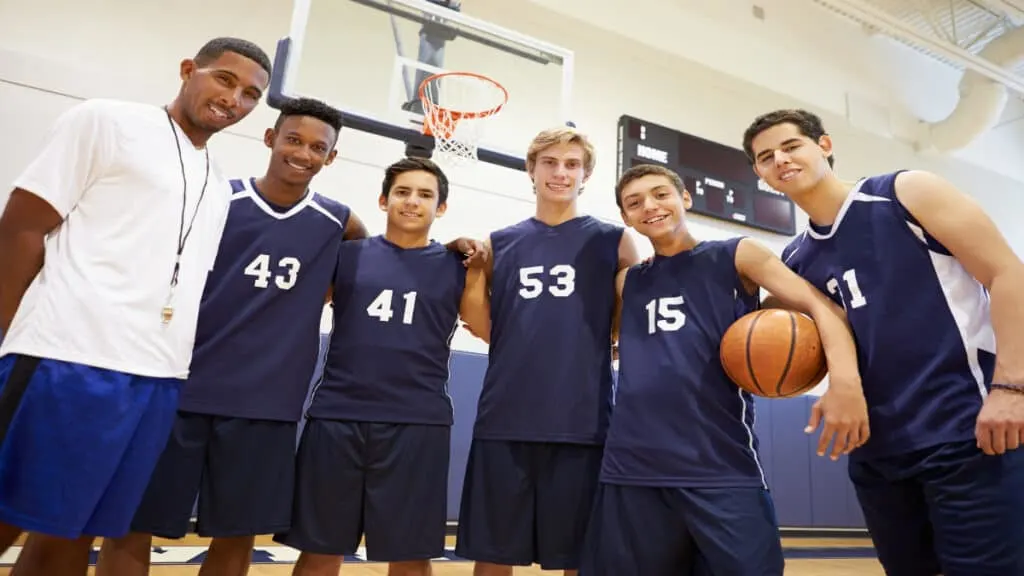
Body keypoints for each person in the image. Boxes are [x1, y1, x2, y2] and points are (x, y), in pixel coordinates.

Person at [0, 37, 271, 574]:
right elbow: (22, 226)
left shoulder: (217, 184)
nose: (233, 99)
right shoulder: (106, 121)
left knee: (72, 530)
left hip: (156, 378)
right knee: (9, 513)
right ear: (188, 69)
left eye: (249, 94)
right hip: (66, 359)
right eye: (224, 79)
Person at [743, 108, 1024, 576]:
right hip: (878, 452)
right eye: (765, 157)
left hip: (968, 430)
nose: (780, 160)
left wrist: (1012, 387)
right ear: (760, 174)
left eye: (791, 146)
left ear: (825, 146)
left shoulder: (903, 193)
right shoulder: (794, 259)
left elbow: (1007, 273)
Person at [94, 96, 366, 576]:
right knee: (133, 524)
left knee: (236, 537)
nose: (303, 153)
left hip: (266, 405)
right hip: (181, 388)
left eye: (317, 148)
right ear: (270, 139)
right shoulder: (219, 198)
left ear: (332, 158)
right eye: (294, 140)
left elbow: (375, 261)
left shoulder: (338, 220)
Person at [578, 163, 868, 575]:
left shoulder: (736, 254)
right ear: (626, 218)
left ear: (685, 198)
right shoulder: (628, 283)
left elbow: (822, 308)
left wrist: (844, 382)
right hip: (632, 467)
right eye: (635, 202)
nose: (650, 206)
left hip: (719, 463)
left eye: (661, 194)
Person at [274, 156, 490, 576]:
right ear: (383, 200)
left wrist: (481, 267)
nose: (412, 202)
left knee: (409, 555)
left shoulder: (456, 267)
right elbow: (295, 308)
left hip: (417, 422)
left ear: (441, 207)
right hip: (337, 417)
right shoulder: (347, 256)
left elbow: (484, 328)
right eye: (403, 192)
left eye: (425, 195)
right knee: (320, 550)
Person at [454, 127, 639, 576]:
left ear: (585, 175)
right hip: (507, 415)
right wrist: (476, 275)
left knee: (579, 554)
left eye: (571, 164)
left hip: (583, 418)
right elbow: (484, 327)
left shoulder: (614, 240)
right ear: (530, 170)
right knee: (494, 552)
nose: (560, 172)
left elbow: (628, 316)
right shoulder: (500, 242)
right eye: (550, 162)